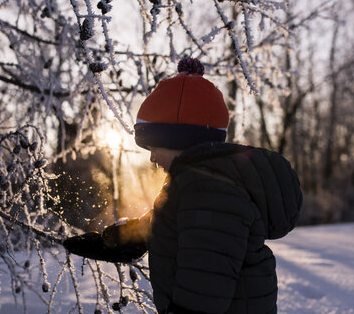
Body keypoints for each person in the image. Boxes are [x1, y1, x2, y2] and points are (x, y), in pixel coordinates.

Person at [63, 58, 303, 314]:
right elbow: (171, 221)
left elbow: (206, 275)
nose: (152, 158)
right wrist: (119, 240)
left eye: (154, 148)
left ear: (179, 139)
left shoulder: (208, 188)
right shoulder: (199, 181)